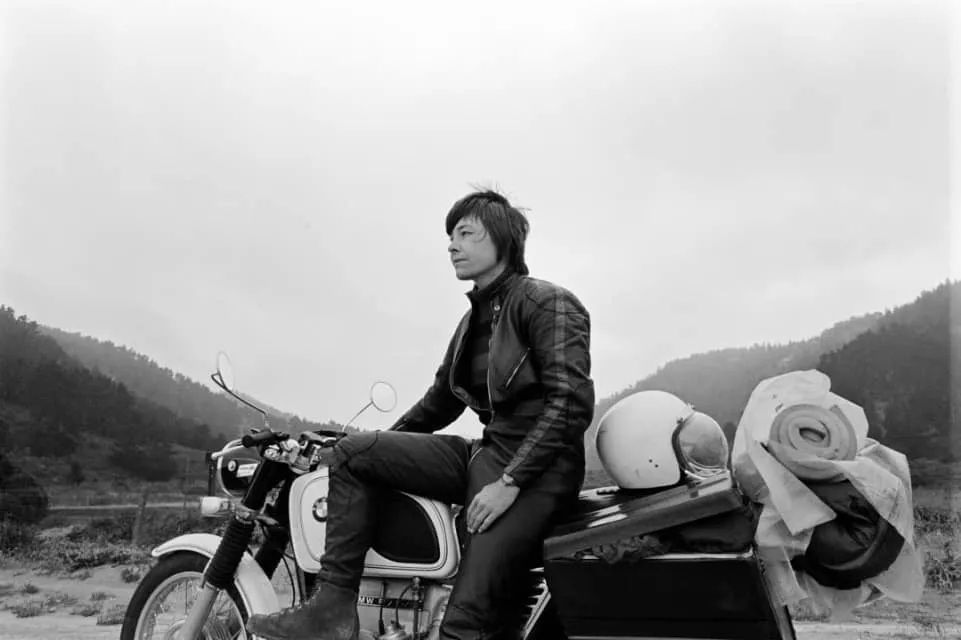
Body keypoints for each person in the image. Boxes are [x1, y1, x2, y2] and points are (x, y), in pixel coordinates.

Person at [246, 189, 595, 640]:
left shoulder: (547, 302)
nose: (452, 245)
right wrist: (381, 448)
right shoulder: (472, 322)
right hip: (487, 452)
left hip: (540, 471)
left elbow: (570, 403)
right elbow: (439, 403)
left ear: (502, 239)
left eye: (465, 234)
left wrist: (510, 482)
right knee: (355, 454)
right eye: (450, 236)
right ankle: (330, 612)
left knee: (465, 621)